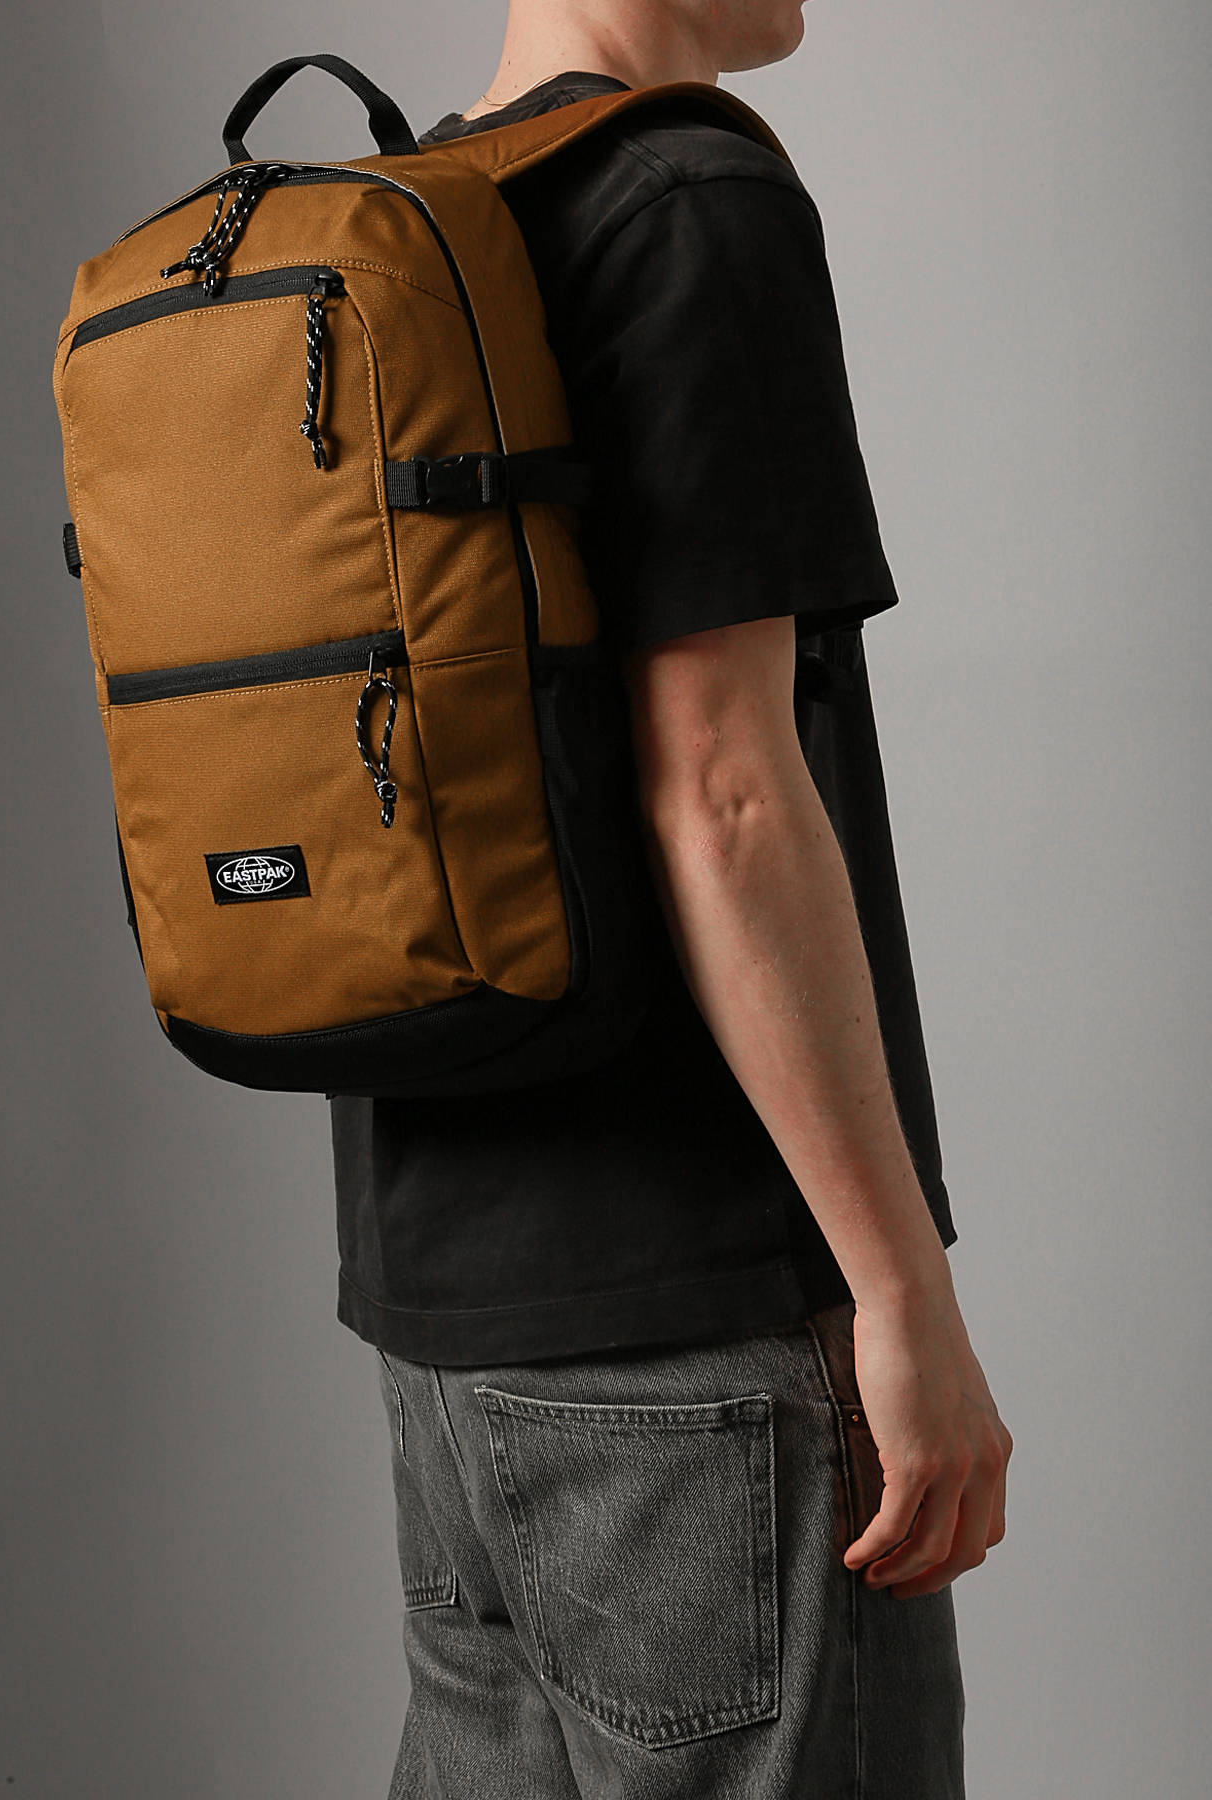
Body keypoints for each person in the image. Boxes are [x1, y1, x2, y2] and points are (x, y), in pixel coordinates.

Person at [327, 1, 1013, 1792]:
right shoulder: (689, 201)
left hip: (445, 1317)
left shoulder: (410, 222)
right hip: (703, 1329)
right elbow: (717, 790)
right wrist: (899, 1295)